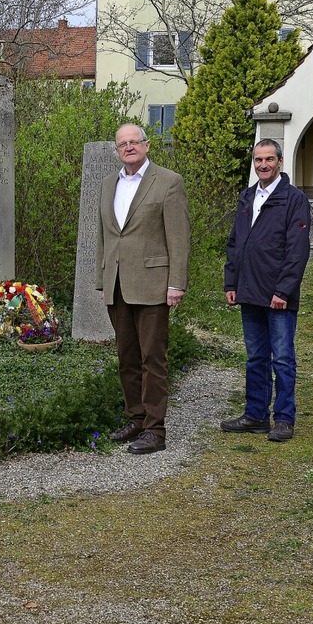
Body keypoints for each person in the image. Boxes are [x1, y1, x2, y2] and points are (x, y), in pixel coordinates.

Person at [96, 124, 190, 454]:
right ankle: (135, 418)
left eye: (134, 142)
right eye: (122, 144)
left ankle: (155, 429)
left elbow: (178, 238)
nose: (129, 147)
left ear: (147, 145)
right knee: (127, 357)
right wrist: (101, 278)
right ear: (116, 150)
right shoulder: (109, 184)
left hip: (152, 285)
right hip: (117, 285)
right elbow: (105, 237)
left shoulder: (168, 182)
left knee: (154, 360)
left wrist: (176, 283)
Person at [221, 139, 311, 442]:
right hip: (249, 290)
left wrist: (283, 291)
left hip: (278, 296)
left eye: (269, 159)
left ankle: (284, 419)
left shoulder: (293, 199)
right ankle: (256, 415)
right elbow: (235, 243)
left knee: (283, 358)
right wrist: (231, 283)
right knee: (256, 357)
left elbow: (297, 251)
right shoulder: (247, 197)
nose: (263, 165)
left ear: (280, 161)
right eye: (258, 160)